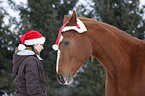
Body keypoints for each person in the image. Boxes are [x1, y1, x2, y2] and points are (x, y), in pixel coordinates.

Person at [13, 30, 47, 96]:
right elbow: (33, 88)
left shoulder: (24, 59)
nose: (42, 47)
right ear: (33, 45)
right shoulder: (31, 61)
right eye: (40, 44)